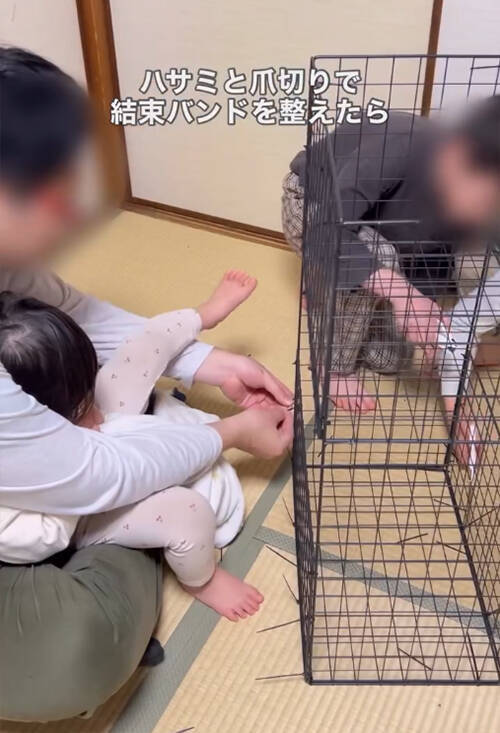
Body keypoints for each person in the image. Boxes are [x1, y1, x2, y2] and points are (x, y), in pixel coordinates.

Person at [0, 46, 293, 722]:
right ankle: (146, 543)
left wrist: (210, 360)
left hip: (59, 463)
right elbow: (90, 473)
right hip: (45, 514)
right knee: (69, 652)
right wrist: (228, 433)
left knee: (128, 416)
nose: (72, 211)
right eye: (54, 190)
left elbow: (81, 317)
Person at [0, 270, 267, 621]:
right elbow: (45, 536)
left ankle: (200, 315)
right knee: (187, 512)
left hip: (68, 450)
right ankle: (203, 581)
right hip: (76, 514)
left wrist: (86, 417)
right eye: (81, 409)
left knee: (131, 359)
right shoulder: (13, 514)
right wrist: (79, 466)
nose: (95, 414)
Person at [282, 96, 500, 454]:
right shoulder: (400, 144)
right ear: (457, 155)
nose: (486, 213)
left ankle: (335, 279)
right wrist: (400, 292)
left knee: (391, 360)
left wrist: (434, 336)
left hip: (377, 230)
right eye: (487, 199)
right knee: (378, 256)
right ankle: (330, 366)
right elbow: (325, 228)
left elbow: (432, 263)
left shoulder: (469, 209)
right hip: (315, 205)